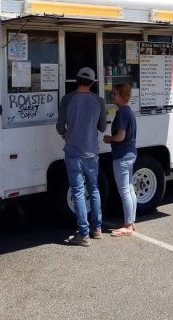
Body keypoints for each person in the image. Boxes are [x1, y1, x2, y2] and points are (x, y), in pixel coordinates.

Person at [56, 67, 107, 247]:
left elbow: (60, 126)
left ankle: (83, 233)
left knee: (78, 191)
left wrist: (65, 133)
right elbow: (102, 128)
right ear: (93, 83)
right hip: (92, 151)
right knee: (94, 189)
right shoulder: (99, 101)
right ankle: (97, 228)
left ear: (76, 80)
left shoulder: (67, 99)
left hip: (73, 152)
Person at [103, 83, 137, 237]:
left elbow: (121, 136)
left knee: (124, 191)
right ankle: (131, 222)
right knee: (129, 189)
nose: (112, 96)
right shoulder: (129, 111)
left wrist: (110, 138)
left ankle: (128, 225)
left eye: (115, 94)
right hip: (130, 153)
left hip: (121, 155)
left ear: (123, 96)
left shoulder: (122, 113)